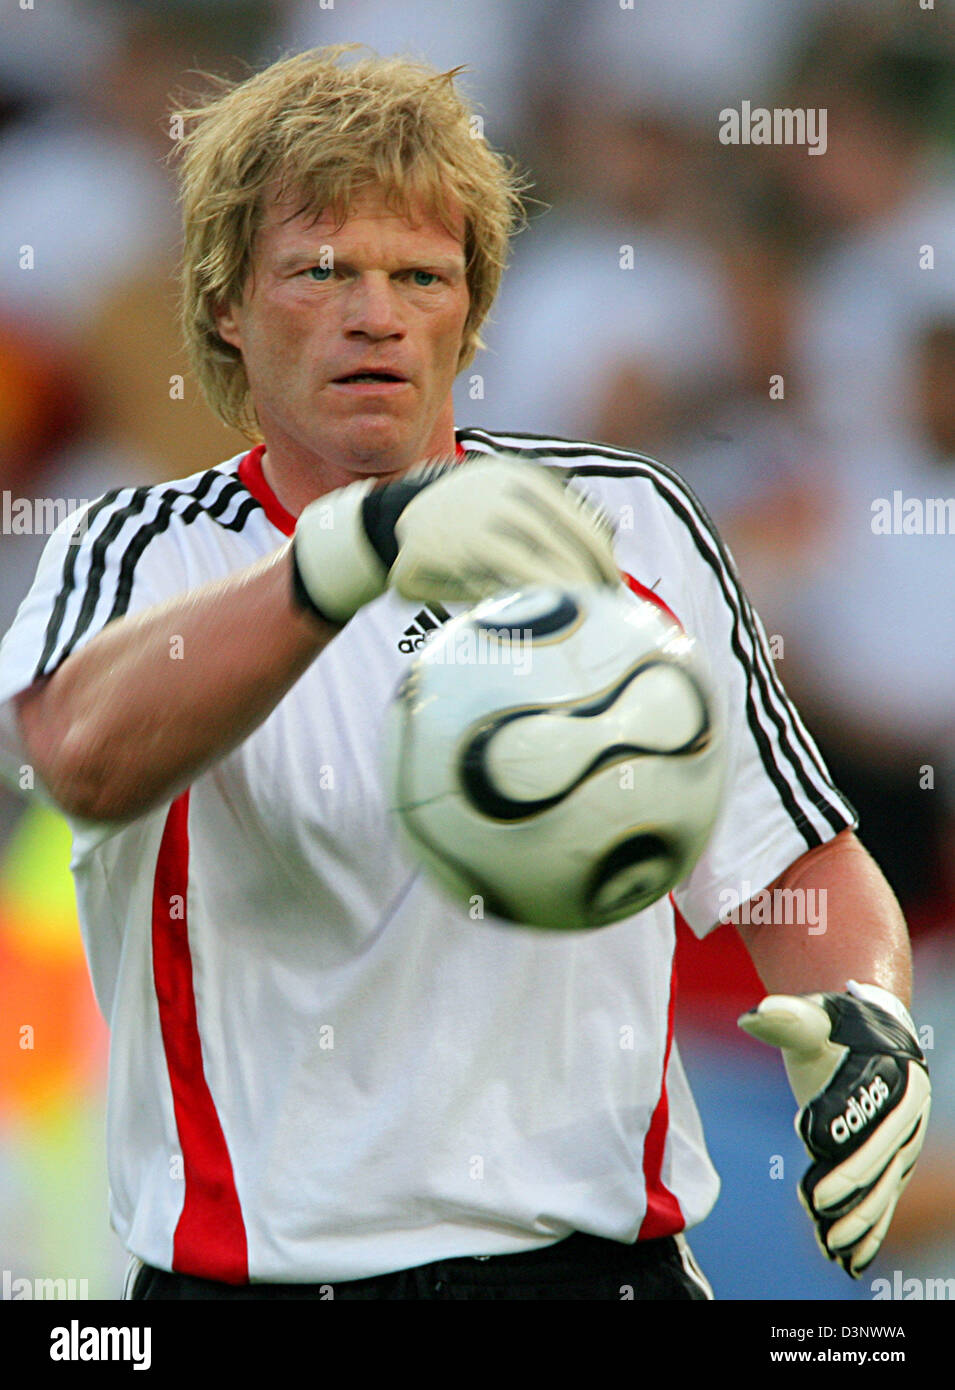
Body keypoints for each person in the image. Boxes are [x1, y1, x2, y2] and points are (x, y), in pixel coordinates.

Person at [0, 46, 930, 1301]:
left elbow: (798, 866)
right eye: (321, 272)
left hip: (598, 1276)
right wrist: (345, 560)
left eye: (420, 276)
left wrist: (870, 1023)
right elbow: (78, 752)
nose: (375, 313)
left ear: (469, 311)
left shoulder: (632, 521)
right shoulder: (141, 550)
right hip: (262, 1288)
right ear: (225, 303)